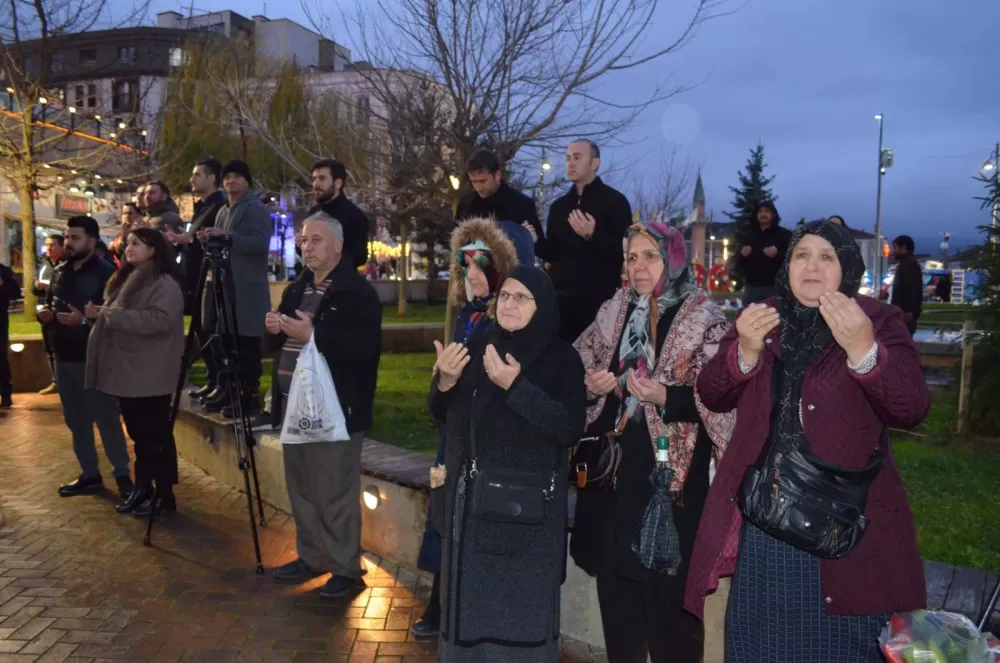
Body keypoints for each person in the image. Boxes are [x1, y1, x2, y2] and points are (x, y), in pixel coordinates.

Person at [684, 221, 930, 663]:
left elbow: (910, 405)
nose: (812, 265)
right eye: (801, 255)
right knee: (760, 649)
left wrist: (863, 351)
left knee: (834, 649)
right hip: (768, 524)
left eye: (826, 256)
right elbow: (712, 392)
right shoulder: (764, 317)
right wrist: (744, 353)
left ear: (846, 268)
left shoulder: (876, 319)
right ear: (788, 266)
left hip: (842, 533)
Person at [570, 222, 735, 663]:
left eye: (650, 256)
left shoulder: (704, 316)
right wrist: (592, 385)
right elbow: (578, 362)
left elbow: (724, 396)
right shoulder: (615, 309)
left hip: (669, 488)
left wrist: (669, 397)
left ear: (674, 257)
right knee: (619, 616)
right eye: (631, 257)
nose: (638, 267)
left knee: (671, 620)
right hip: (613, 486)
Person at [428, 265, 586, 663]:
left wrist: (516, 387)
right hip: (469, 514)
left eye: (522, 297)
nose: (510, 303)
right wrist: (444, 383)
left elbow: (568, 428)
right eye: (505, 296)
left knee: (516, 636)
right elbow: (444, 413)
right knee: (468, 633)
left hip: (523, 521)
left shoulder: (561, 359)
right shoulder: (479, 341)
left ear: (542, 305)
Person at [411, 216, 519, 638]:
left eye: (480, 265)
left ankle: (465, 606)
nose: (472, 275)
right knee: (445, 515)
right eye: (465, 266)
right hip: (453, 436)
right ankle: (440, 601)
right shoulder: (465, 317)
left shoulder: (507, 319)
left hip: (489, 442)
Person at [266, 212, 382, 598]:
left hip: (335, 411)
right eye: (303, 239)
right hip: (293, 408)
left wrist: (313, 333)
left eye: (316, 240)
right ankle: (312, 557)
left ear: (337, 245)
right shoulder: (298, 287)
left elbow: (363, 350)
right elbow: (282, 343)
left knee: (334, 492)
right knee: (301, 489)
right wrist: (274, 327)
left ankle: (347, 569)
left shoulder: (357, 293)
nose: (307, 246)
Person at [83, 228, 185, 517]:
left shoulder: (164, 284)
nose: (129, 248)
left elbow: (161, 320)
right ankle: (143, 488)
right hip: (130, 370)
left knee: (155, 435)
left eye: (137, 243)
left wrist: (112, 315)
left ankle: (163, 494)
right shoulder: (126, 280)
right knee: (140, 435)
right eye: (128, 243)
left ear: (153, 249)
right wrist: (98, 315)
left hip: (151, 371)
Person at [38, 216, 133, 500]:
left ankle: (123, 477)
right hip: (63, 357)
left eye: (75, 238)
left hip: (95, 358)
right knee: (76, 420)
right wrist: (44, 314)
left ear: (92, 241)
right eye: (67, 237)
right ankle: (90, 473)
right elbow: (50, 304)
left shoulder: (108, 274)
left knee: (106, 419)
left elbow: (117, 316)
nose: (68, 243)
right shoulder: (59, 271)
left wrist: (83, 322)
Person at [537, 139, 633, 342]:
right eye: (568, 158)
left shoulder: (615, 202)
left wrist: (592, 235)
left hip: (598, 303)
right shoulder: (559, 207)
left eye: (578, 157)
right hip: (560, 303)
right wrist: (534, 240)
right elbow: (552, 253)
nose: (571, 164)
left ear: (595, 163)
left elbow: (625, 252)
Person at [198, 160, 271, 417]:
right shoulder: (222, 210)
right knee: (226, 342)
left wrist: (227, 237)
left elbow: (261, 243)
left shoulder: (256, 209)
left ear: (247, 181)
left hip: (247, 290)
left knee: (247, 344)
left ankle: (248, 396)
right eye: (227, 177)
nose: (231, 181)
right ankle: (229, 390)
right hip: (225, 286)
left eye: (237, 176)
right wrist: (208, 239)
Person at [170, 159, 228, 402]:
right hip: (194, 277)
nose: (192, 179)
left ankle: (221, 381)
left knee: (209, 331)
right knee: (201, 332)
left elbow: (212, 241)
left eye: (197, 175)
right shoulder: (203, 207)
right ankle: (212, 378)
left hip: (207, 278)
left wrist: (190, 240)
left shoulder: (218, 207)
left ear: (212, 178)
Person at [455, 149, 543, 264]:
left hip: (512, 276)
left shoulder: (521, 204)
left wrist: (532, 240)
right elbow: (456, 247)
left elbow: (545, 251)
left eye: (483, 181)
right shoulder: (466, 204)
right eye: (474, 182)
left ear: (497, 175)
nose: (478, 187)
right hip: (474, 276)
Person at [309, 159, 370, 269]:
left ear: (338, 183)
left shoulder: (354, 215)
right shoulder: (313, 213)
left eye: (322, 178)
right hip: (313, 280)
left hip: (341, 283)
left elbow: (360, 257)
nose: (316, 184)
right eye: (314, 179)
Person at [735, 201, 792, 305]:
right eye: (760, 211)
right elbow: (738, 261)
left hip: (774, 287)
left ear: (773, 215)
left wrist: (777, 255)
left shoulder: (785, 235)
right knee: (749, 318)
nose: (763, 214)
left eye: (767, 211)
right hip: (751, 288)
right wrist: (742, 255)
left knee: (775, 318)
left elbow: (792, 259)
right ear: (756, 215)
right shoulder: (749, 235)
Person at [32, 233, 64, 395]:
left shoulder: (65, 265)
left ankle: (64, 381)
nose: (48, 248)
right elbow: (33, 288)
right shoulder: (44, 264)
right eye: (47, 245)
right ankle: (55, 381)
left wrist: (49, 287)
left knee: (61, 347)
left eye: (52, 245)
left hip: (60, 313)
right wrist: (37, 286)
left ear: (61, 247)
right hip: (44, 313)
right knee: (49, 348)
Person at [890, 235, 923, 336]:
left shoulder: (909, 265)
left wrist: (909, 311)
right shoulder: (907, 264)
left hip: (905, 314)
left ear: (903, 248)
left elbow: (913, 290)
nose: (893, 251)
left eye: (895, 248)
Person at [0, 259, 20, 407]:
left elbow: (15, 293)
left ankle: (5, 393)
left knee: (0, 357)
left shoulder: (4, 271)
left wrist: (3, 285)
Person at [110, 203, 143, 268]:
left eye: (130, 213)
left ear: (139, 215)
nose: (127, 216)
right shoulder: (119, 235)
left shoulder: (141, 234)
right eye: (124, 213)